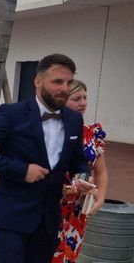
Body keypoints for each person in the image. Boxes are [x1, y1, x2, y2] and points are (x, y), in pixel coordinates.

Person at [0, 54, 93, 263]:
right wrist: (21, 170)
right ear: (38, 81)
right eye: (57, 82)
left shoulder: (74, 120)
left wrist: (81, 178)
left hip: (49, 220)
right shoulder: (11, 113)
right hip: (12, 215)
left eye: (68, 82)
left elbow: (78, 160)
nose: (64, 88)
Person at [52, 80, 108, 263]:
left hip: (76, 212)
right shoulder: (49, 133)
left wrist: (100, 197)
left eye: (85, 98)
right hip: (50, 209)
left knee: (69, 258)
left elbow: (101, 171)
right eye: (76, 99)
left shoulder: (92, 133)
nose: (83, 103)